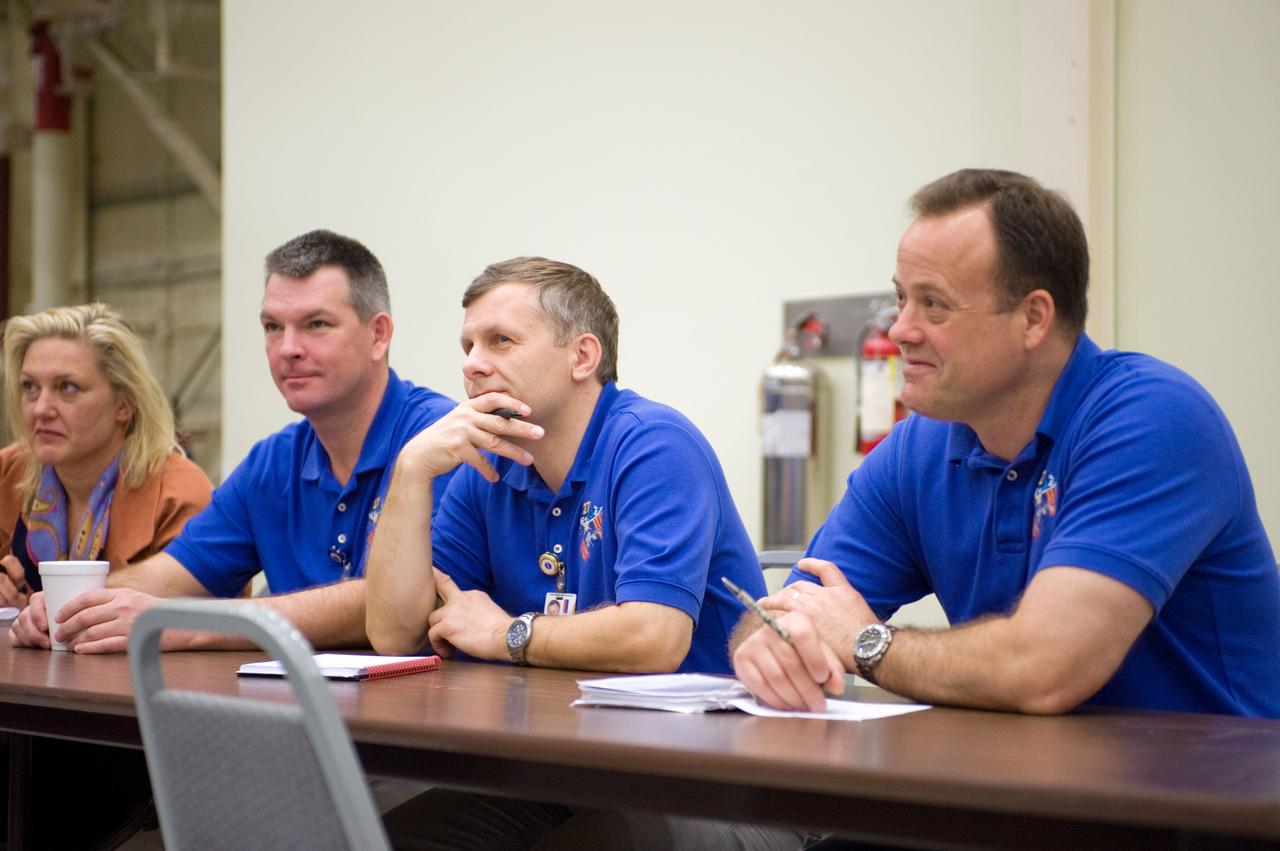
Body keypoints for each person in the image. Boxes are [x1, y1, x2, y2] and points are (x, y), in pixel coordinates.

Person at [732, 168, 1280, 719]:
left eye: (935, 304)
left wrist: (866, 642)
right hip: (1026, 788)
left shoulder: (1155, 419)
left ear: (1033, 318)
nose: (900, 330)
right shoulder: (916, 450)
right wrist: (772, 646)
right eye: (902, 299)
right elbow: (779, 613)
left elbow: (1045, 669)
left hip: (1204, 793)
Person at [366, 257, 798, 849]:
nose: (471, 363)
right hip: (561, 768)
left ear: (582, 357)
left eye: (501, 340)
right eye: (467, 344)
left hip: (716, 779)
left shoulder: (653, 444)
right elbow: (394, 633)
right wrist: (412, 471)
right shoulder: (487, 462)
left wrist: (505, 635)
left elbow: (653, 638)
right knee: (391, 837)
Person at [9, 229, 456, 653]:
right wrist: (69, 606)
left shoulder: (438, 439)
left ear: (378, 335)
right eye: (272, 327)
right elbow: (174, 574)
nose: (288, 348)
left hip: (415, 717)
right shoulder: (273, 462)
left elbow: (395, 605)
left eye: (316, 324)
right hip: (295, 710)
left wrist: (189, 625)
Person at [0, 302, 213, 849]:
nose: (41, 408)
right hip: (28, 710)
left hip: (129, 732)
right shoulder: (10, 472)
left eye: (67, 388)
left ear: (123, 404)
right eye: (29, 388)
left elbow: (201, 630)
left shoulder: (177, 488)